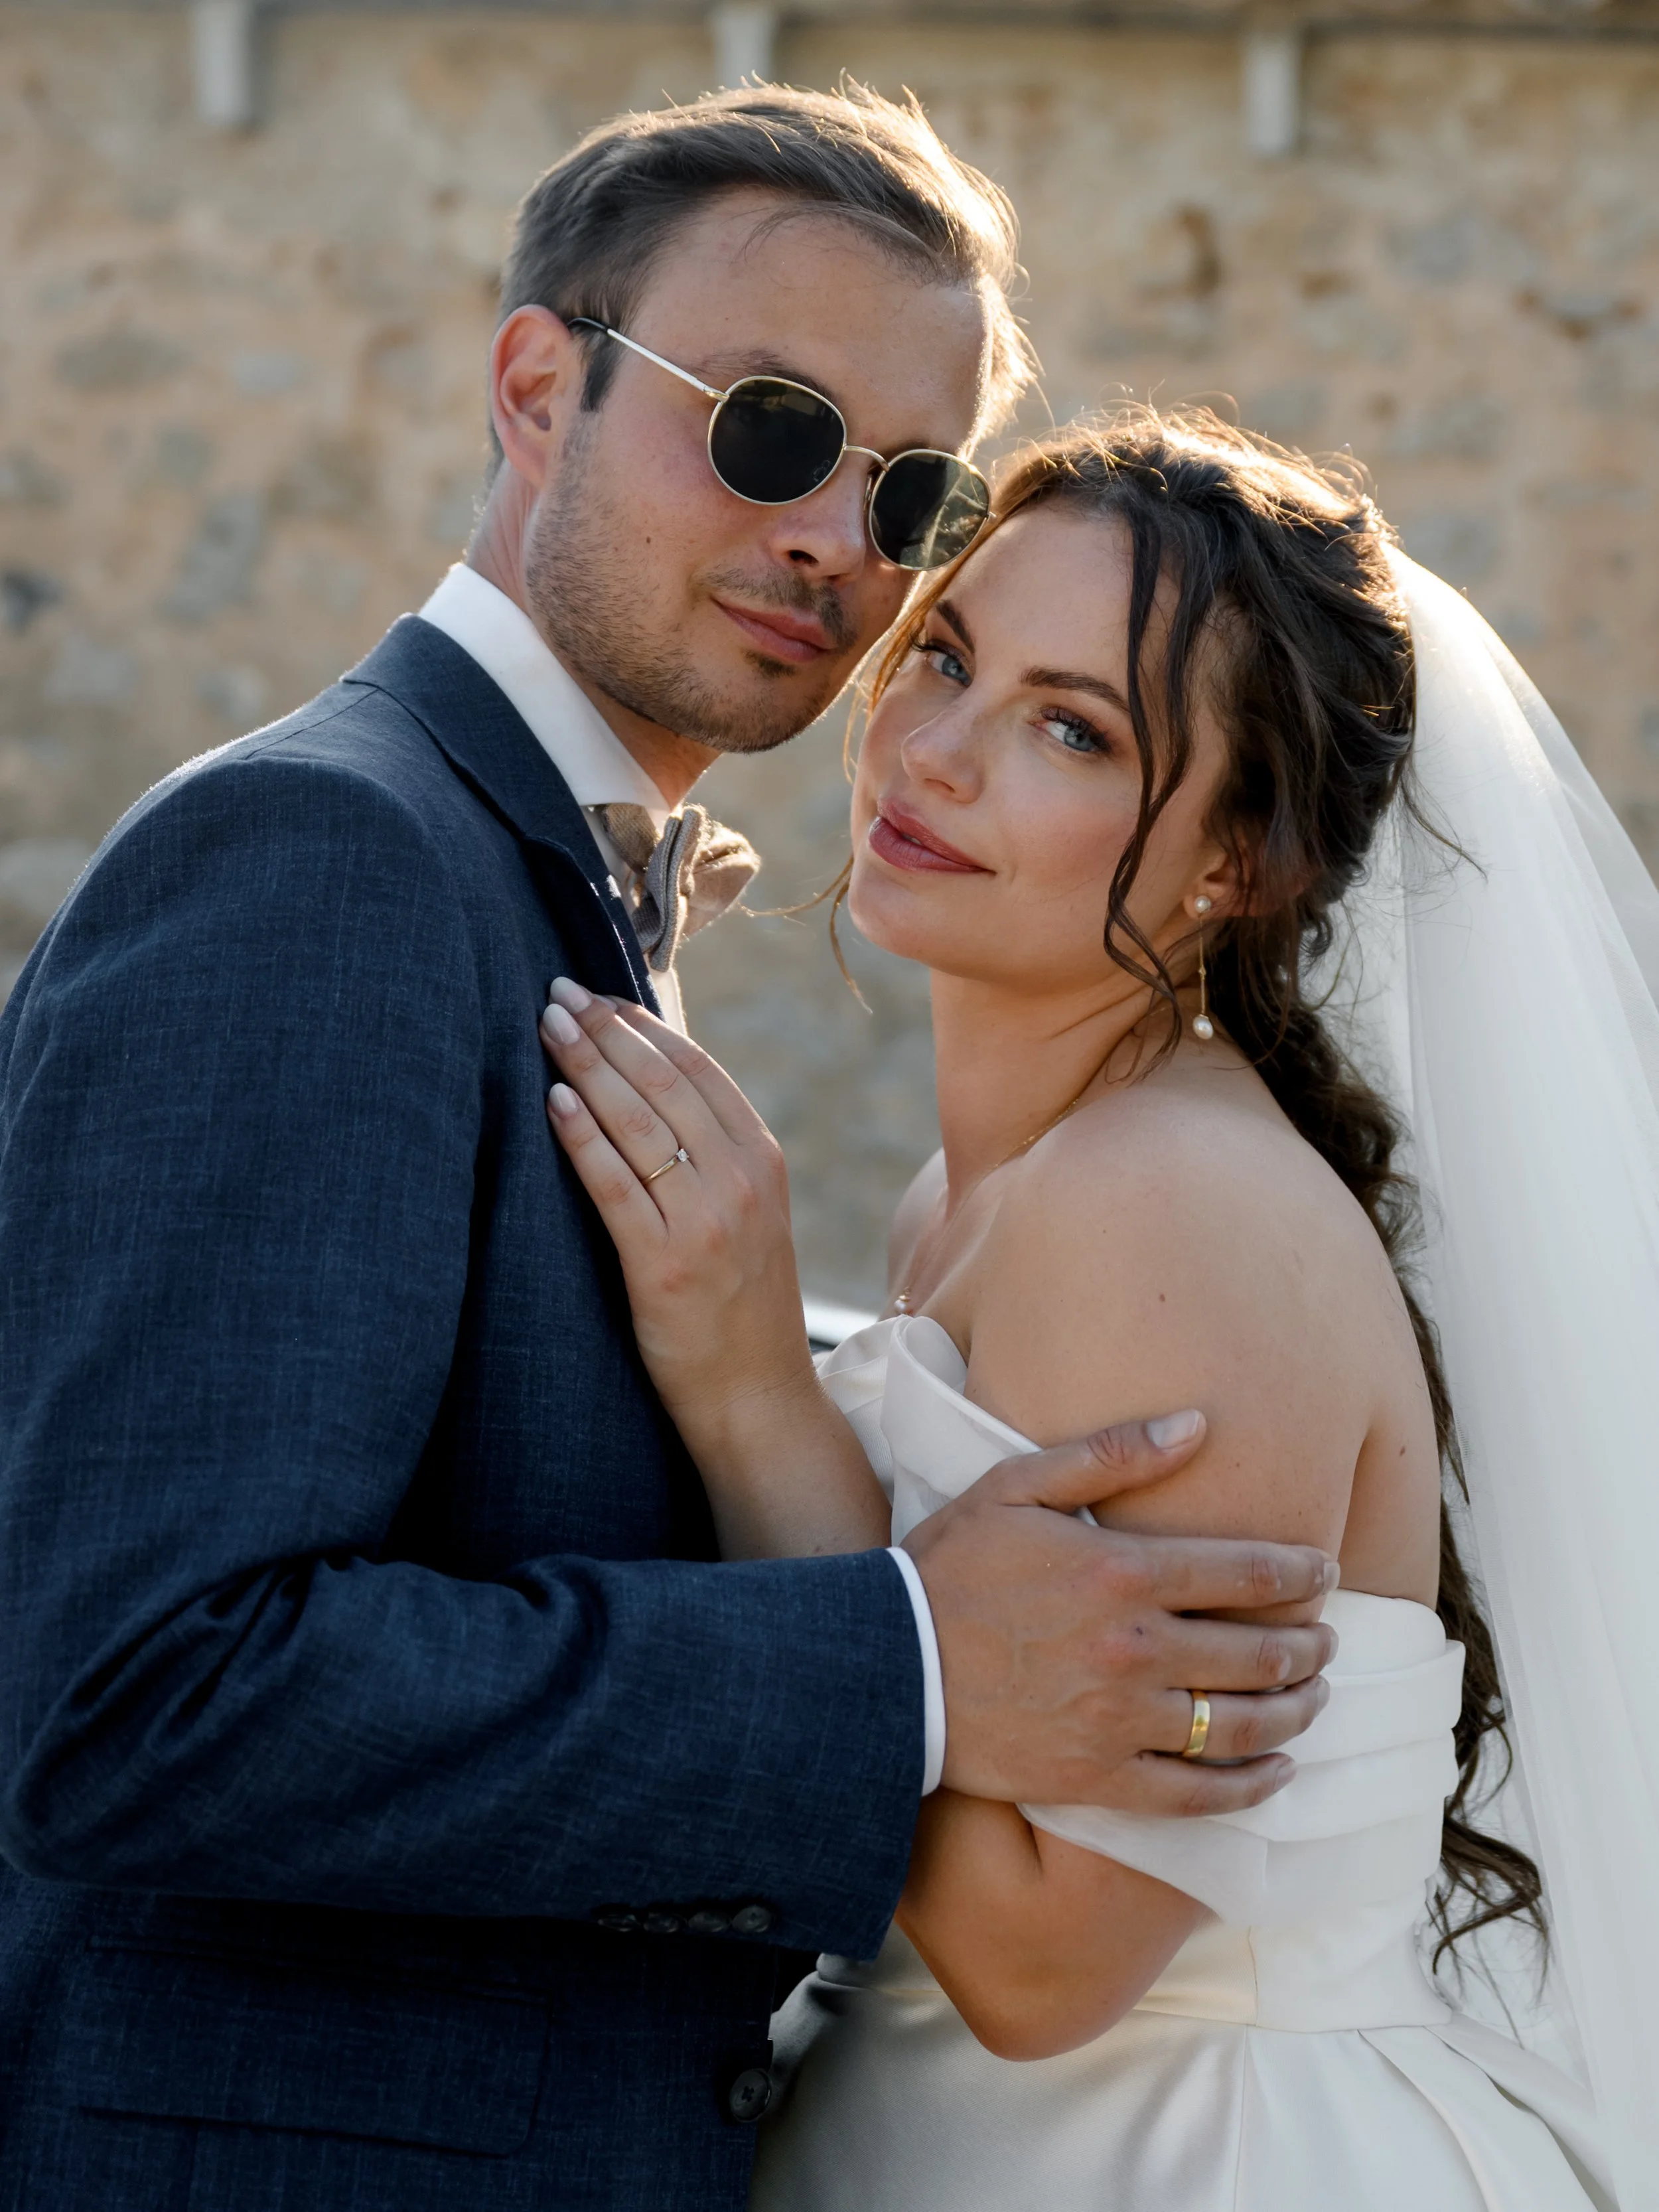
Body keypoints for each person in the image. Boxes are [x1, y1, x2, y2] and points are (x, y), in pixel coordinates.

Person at [0, 93, 1339, 2212]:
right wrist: (900, 1659)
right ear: (538, 385)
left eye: (909, 489)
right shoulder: (319, 854)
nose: (842, 539)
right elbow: (144, 1692)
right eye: (772, 427)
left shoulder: (552, 875)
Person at [540, 412, 1659, 2207]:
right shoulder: (977, 1188)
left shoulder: (1167, 1212)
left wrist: (756, 1394)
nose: (940, 753)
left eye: (1074, 727)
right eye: (950, 659)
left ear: (1238, 861)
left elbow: (1049, 1959)